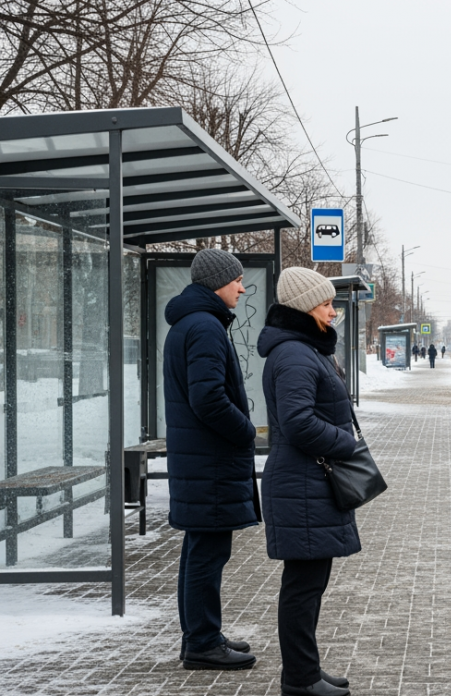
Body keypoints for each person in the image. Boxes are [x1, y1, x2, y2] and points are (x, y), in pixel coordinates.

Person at [258, 267, 361, 696]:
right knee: (302, 588)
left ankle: (307, 671)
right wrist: (347, 443)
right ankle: (300, 679)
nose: (333, 312)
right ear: (304, 308)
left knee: (309, 584)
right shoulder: (296, 354)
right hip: (301, 484)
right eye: (325, 304)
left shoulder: (305, 349)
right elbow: (298, 423)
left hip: (308, 482)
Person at [163, 248, 258, 671]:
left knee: (200, 550)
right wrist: (246, 431)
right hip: (211, 462)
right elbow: (208, 399)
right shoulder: (204, 326)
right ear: (218, 281)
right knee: (207, 554)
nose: (242, 286)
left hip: (201, 461)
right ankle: (202, 642)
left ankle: (202, 635)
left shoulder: (194, 323)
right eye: (236, 279)